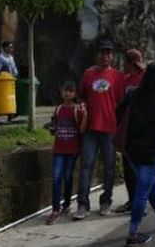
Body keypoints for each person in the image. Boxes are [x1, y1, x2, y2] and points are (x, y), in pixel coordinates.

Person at [119, 63, 155, 246]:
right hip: (151, 151)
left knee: (150, 186)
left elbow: (118, 111)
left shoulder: (134, 94)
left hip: (132, 150)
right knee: (143, 191)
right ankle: (133, 233)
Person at [74, 39, 125, 219]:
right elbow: (80, 95)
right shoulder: (88, 74)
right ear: (97, 54)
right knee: (86, 165)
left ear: (112, 55)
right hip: (90, 128)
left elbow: (121, 103)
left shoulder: (118, 77)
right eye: (103, 52)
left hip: (110, 128)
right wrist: (82, 107)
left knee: (110, 168)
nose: (106, 56)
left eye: (109, 52)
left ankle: (105, 201)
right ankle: (82, 204)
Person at [46, 81, 85, 225]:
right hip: (59, 149)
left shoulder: (77, 110)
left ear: (75, 94)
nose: (67, 93)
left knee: (68, 177)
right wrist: (52, 129)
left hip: (72, 149)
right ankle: (55, 209)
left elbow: (81, 130)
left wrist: (85, 115)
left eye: (70, 91)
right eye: (64, 90)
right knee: (56, 177)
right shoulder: (58, 109)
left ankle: (66, 204)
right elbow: (54, 125)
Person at [114, 48, 147, 214]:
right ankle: (132, 199)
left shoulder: (145, 78)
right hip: (126, 129)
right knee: (128, 167)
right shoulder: (125, 80)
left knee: (140, 168)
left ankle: (141, 202)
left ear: (130, 63)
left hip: (141, 130)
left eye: (125, 62)